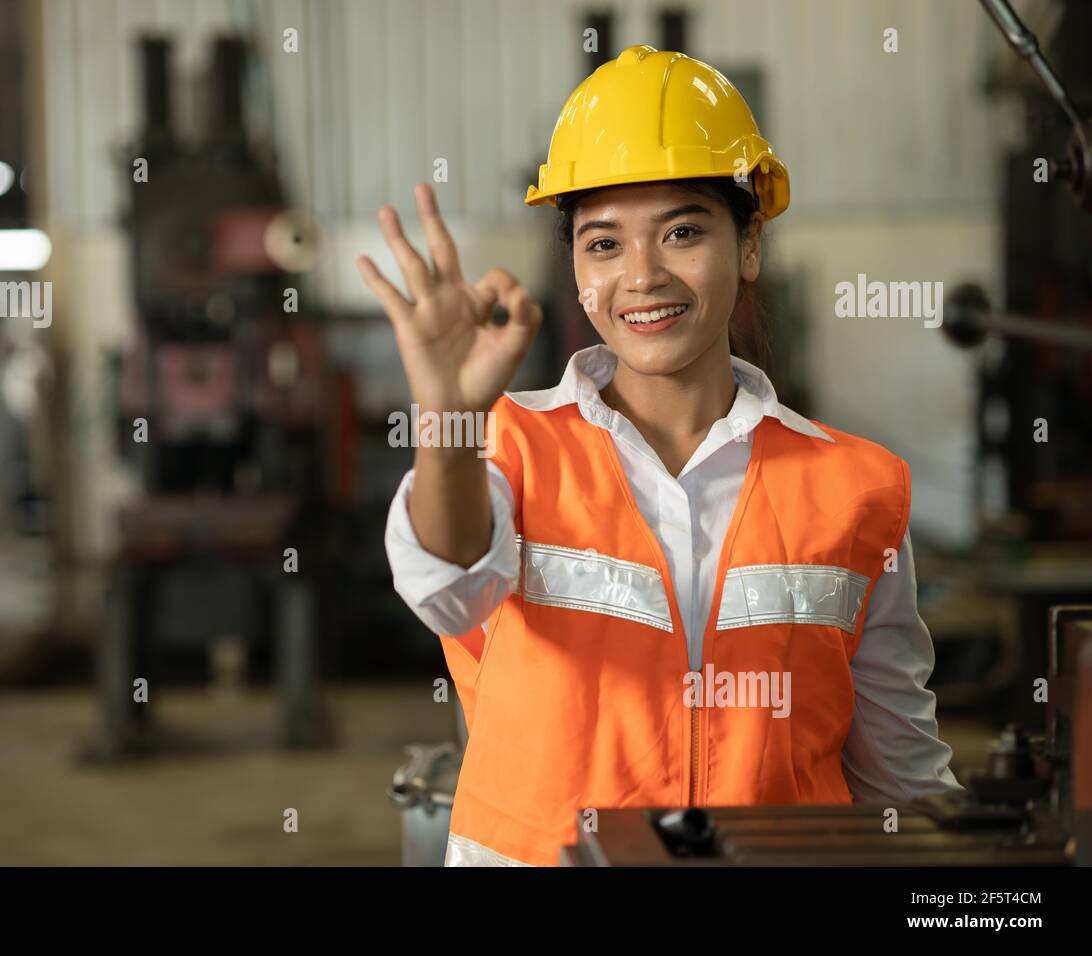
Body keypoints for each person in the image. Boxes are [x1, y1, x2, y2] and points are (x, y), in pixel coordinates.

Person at [356, 45, 963, 868]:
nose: (642, 276)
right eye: (603, 244)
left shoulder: (856, 488)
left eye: (682, 232)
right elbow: (448, 588)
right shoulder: (506, 448)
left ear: (749, 246)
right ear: (574, 271)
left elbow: (900, 777)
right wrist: (448, 418)